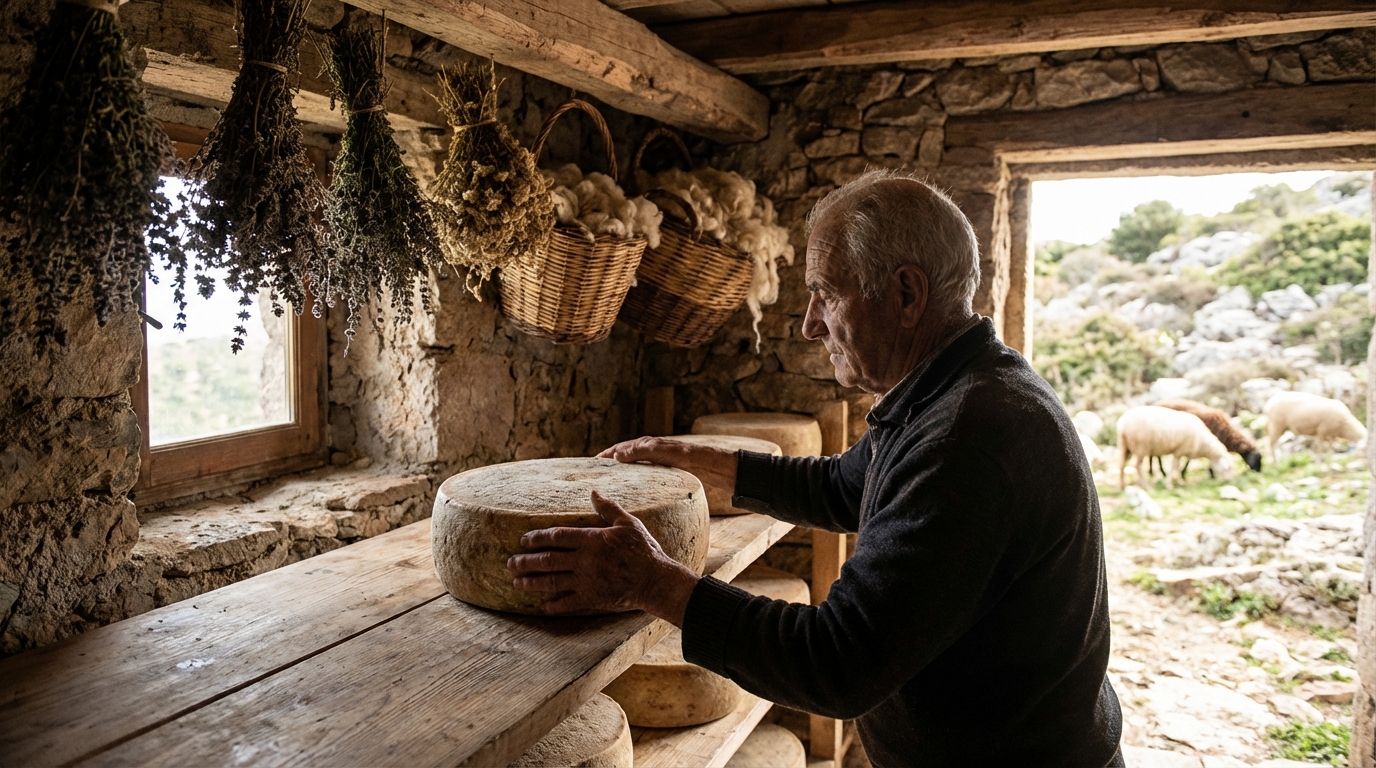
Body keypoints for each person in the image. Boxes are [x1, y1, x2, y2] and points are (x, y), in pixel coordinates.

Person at [507, 169, 1123, 767]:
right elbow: (847, 486)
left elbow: (835, 664)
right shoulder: (948, 388)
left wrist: (651, 582)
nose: (807, 323)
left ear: (906, 295)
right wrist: (705, 461)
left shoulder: (971, 437)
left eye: (826, 293)